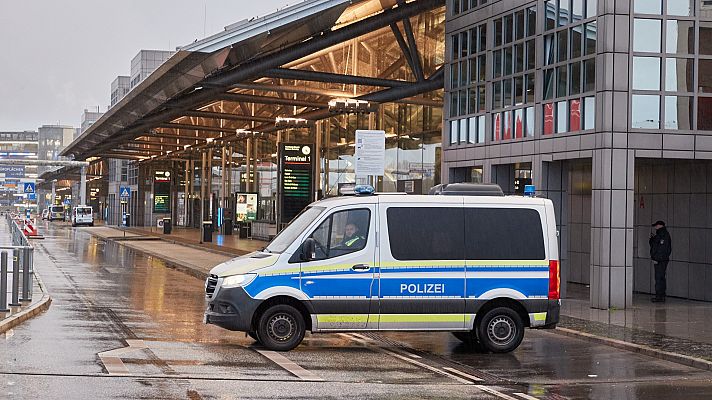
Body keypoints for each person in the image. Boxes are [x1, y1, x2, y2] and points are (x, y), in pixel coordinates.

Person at [649, 220, 672, 303]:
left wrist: (656, 258)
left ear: (659, 225)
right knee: (661, 277)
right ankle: (661, 296)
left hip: (660, 260)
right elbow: (654, 245)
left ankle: (659, 296)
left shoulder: (663, 235)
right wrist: (652, 239)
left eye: (656, 225)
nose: (655, 227)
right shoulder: (660, 234)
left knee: (659, 278)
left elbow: (662, 249)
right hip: (661, 259)